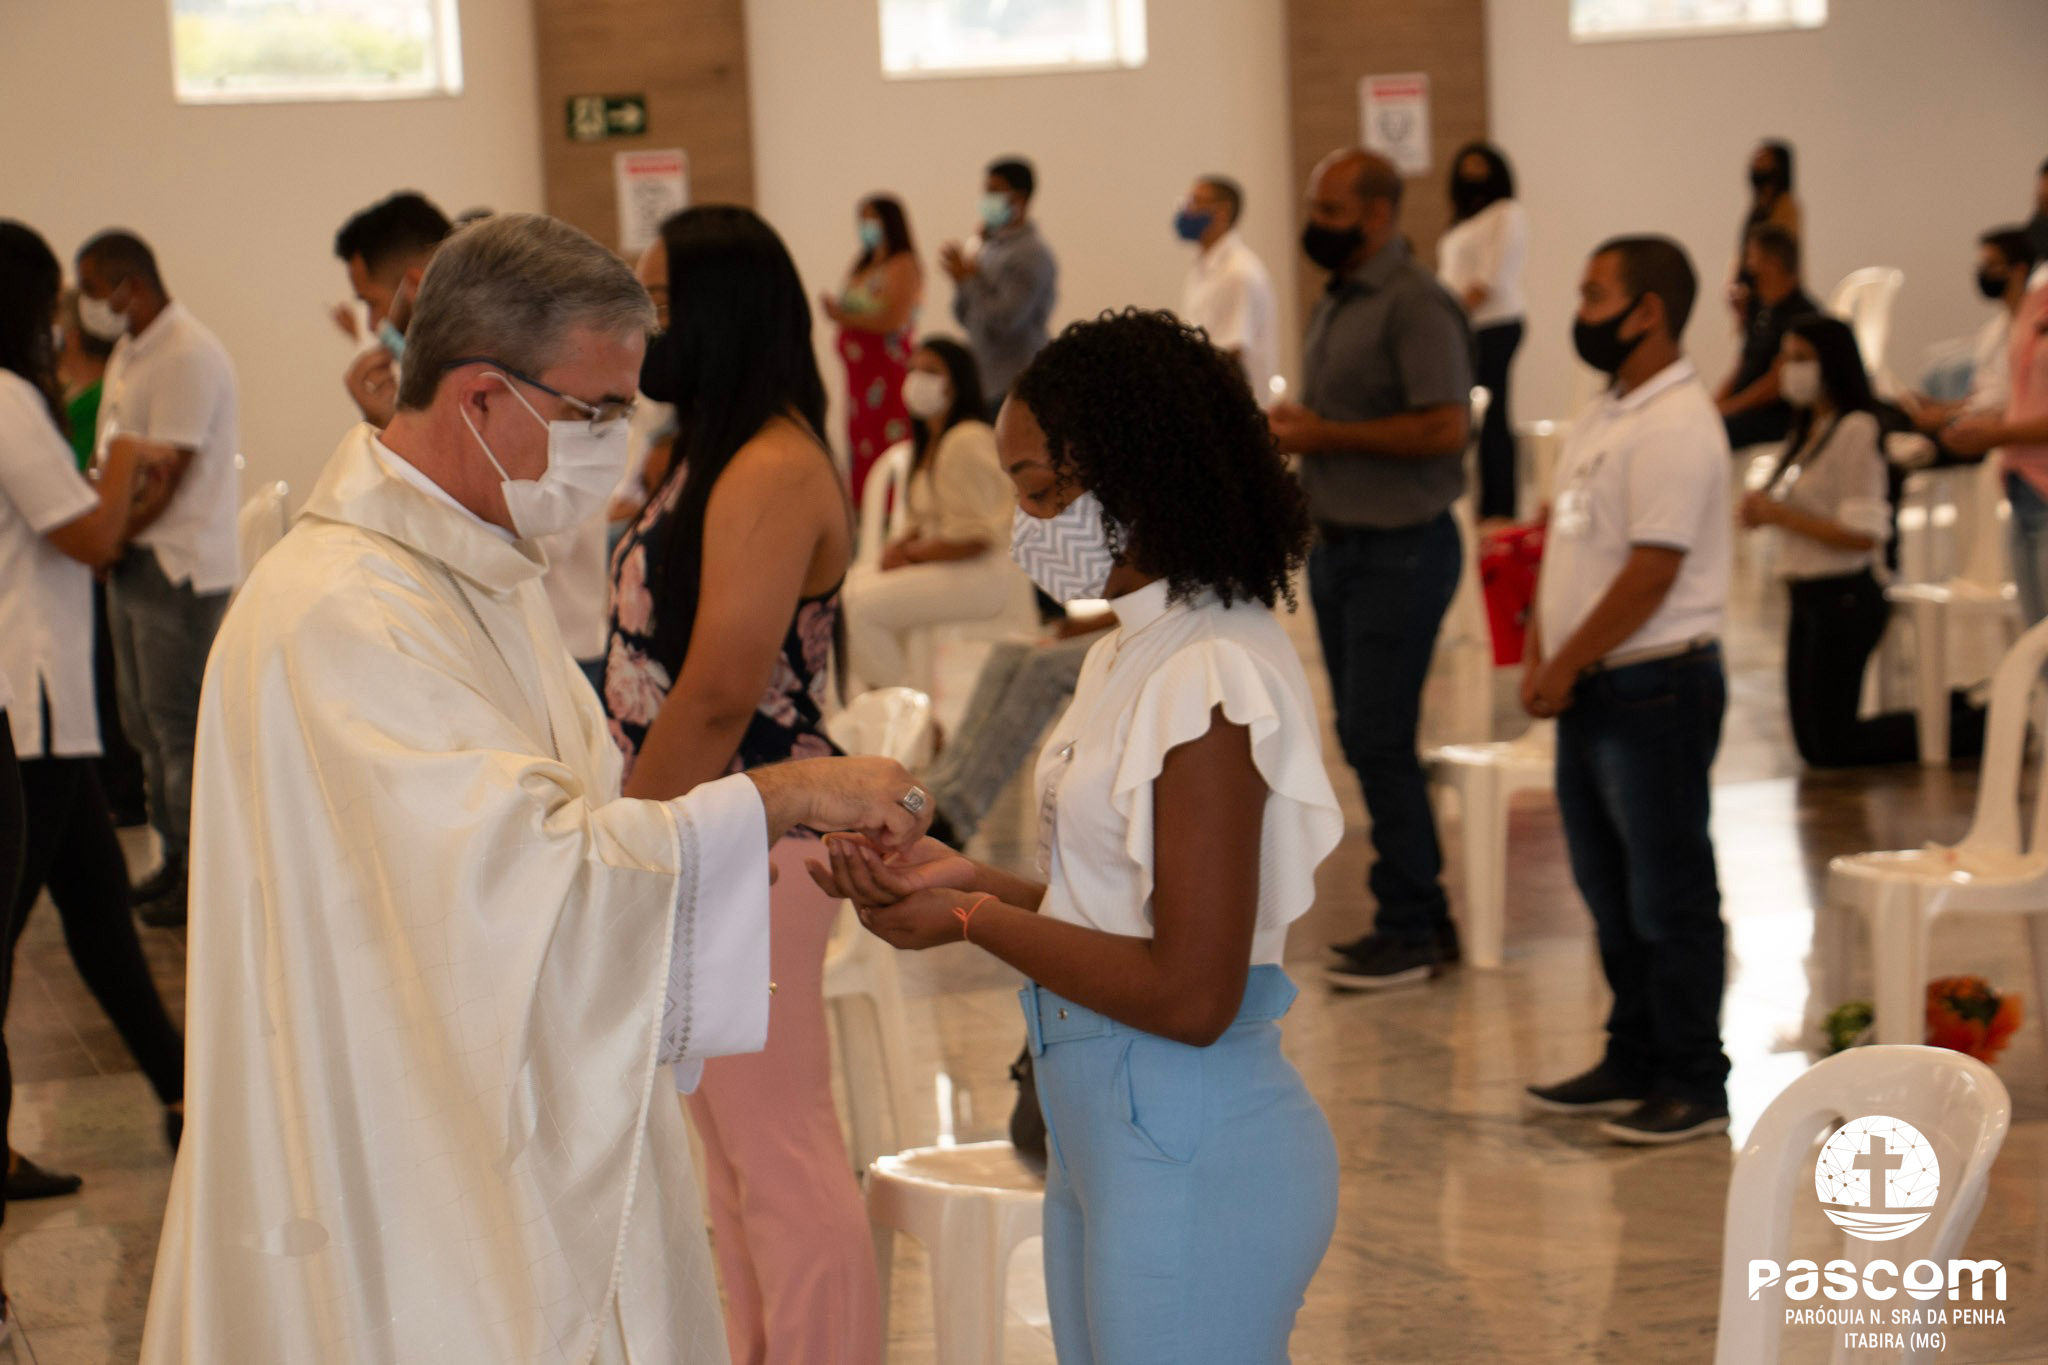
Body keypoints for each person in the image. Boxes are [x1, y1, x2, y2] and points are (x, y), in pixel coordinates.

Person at [138, 212, 928, 1365]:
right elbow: (521, 881)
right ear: (481, 396)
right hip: (405, 1165)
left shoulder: (469, 568)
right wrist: (780, 797)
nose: (614, 440)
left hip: (476, 1111)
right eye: (594, 411)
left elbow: (576, 821)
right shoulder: (348, 613)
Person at [813, 308, 1343, 1364]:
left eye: (1042, 491)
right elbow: (1111, 914)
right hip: (1104, 1135)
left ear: (1136, 479)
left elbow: (1191, 995)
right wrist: (966, 878)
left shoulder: (1210, 673)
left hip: (1187, 1142)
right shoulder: (1125, 649)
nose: (1025, 525)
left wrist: (971, 918)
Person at [607, 205, 881, 1365]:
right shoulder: (706, 454)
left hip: (753, 839)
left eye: (661, 303)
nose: (642, 327)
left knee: (777, 1150)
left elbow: (720, 692)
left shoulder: (771, 465)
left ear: (719, 314)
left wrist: (620, 843)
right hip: (709, 832)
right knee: (724, 1159)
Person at [1522, 236, 1733, 1145]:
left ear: (1649, 310)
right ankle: (1634, 1053)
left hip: (1656, 684)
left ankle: (1694, 1076)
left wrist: (1564, 661)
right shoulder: (1609, 409)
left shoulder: (1676, 421)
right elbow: (1570, 543)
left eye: (1595, 293)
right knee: (1609, 890)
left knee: (1667, 892)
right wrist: (1544, 648)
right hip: (1596, 682)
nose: (1581, 311)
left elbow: (1652, 572)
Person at [0, 221, 187, 1210]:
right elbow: (90, 539)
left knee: (101, 914)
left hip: (48, 711)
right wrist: (126, 462)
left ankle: (183, 1092)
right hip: (24, 707)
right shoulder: (8, 398)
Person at [1266, 148, 1473, 990]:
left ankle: (1412, 923)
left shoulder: (1415, 302)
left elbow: (1444, 427)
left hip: (1402, 545)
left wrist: (1324, 434)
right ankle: (1422, 912)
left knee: (1380, 736)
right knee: (1361, 733)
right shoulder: (1341, 296)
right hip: (1344, 543)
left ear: (1379, 215)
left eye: (1332, 208)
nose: (1316, 222)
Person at [336, 195, 612, 685]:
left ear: (415, 288)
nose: (376, 326)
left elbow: (537, 529)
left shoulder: (530, 371)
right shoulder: (464, 380)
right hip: (504, 640)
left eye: (373, 303)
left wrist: (405, 437)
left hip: (560, 644)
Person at [76, 229, 240, 929]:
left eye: (94, 292)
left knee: (179, 728)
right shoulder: (131, 351)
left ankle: (201, 874)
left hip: (178, 564)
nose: (88, 307)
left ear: (131, 285)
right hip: (135, 558)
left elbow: (167, 476)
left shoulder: (186, 353)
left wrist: (108, 535)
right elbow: (115, 457)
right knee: (142, 723)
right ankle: (171, 857)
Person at [1742, 317, 1981, 767]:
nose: (1789, 370)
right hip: (1805, 592)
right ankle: (1953, 712)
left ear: (1830, 362)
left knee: (1834, 746)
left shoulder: (1856, 428)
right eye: (1786, 358)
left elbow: (1863, 535)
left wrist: (1781, 516)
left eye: (1801, 359)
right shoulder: (1806, 430)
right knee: (1813, 747)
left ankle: (1969, 725)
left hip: (1844, 594)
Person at [842, 338, 1017, 689]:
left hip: (980, 575)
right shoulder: (931, 443)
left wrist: (909, 554)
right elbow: (927, 519)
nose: (917, 379)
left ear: (957, 381)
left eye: (931, 371)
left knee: (857, 608)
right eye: (913, 370)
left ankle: (906, 705)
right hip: (951, 567)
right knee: (850, 587)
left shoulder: (965, 438)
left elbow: (975, 539)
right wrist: (900, 546)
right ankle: (899, 695)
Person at [57, 285, 149, 828]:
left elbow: (85, 485)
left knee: (117, 693)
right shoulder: (83, 397)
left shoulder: (87, 403)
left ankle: (125, 796)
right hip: (91, 556)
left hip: (95, 556)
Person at [915, 609, 1113, 849]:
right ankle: (939, 788)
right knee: (1009, 651)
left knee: (1045, 666)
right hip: (1122, 625)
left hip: (1148, 638)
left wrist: (1090, 625)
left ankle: (956, 816)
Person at [1948, 267, 2048, 623]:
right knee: (2036, 637)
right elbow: (2019, 394)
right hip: (2023, 480)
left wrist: (1999, 434)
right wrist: (1980, 425)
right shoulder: (2035, 298)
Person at [1437, 142, 1528, 522]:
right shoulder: (1461, 222)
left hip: (1493, 325)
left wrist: (1448, 317)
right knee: (1470, 417)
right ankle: (1474, 504)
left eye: (1480, 167)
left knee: (1492, 417)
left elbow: (1489, 278)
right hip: (1462, 327)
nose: (1472, 175)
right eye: (1467, 167)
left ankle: (1500, 508)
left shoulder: (1505, 213)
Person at [823, 194, 921, 507]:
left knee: (887, 442)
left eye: (872, 219)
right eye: (862, 219)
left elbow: (894, 319)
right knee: (860, 444)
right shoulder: (863, 264)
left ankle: (891, 511)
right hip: (859, 380)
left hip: (886, 375)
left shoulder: (902, 264)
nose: (866, 226)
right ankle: (865, 510)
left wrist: (844, 317)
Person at [942, 157, 1057, 418]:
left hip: (1014, 383)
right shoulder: (987, 247)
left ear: (1020, 198)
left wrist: (968, 280)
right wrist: (961, 282)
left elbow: (1005, 321)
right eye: (986, 191)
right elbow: (966, 317)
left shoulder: (1030, 253)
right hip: (983, 380)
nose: (986, 199)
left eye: (994, 191)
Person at [1903, 228, 2037, 443]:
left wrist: (1947, 416)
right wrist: (1938, 406)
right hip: (1984, 427)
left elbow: (2013, 401)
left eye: (1992, 265)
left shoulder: (2037, 331)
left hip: (2007, 433)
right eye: (1982, 265)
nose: (1984, 272)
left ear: (2020, 270)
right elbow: (1984, 395)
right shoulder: (1993, 330)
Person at [333, 190, 453, 429]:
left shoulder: (494, 378)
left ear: (416, 286)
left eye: (372, 303)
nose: (371, 325)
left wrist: (392, 429)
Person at [1174, 174, 1279, 403]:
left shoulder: (1238, 271)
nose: (1187, 210)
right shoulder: (1203, 266)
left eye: (1195, 201)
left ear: (1222, 211)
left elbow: (1231, 352)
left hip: (1234, 403)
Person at [1716, 223, 1820, 450]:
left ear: (1772, 265)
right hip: (1744, 411)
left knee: (1712, 433)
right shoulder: (1759, 308)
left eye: (1751, 258)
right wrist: (1712, 405)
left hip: (1776, 418)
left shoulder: (1803, 316)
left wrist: (1728, 409)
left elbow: (1777, 383)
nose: (1746, 266)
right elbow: (1743, 364)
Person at [1732, 139, 1800, 324]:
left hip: (1775, 298)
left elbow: (1778, 252)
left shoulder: (1786, 207)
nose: (1756, 164)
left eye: (1763, 159)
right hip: (1751, 298)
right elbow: (1743, 250)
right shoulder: (1755, 209)